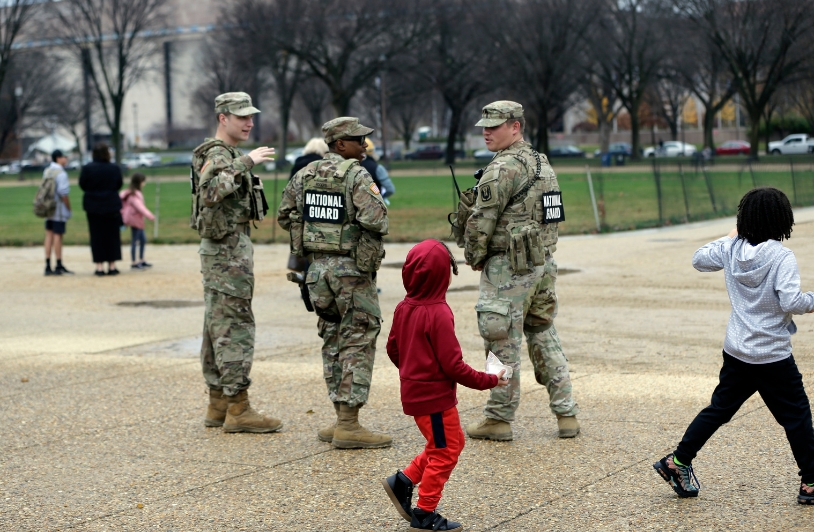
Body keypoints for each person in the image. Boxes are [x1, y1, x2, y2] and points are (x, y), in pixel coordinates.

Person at [654, 187, 814, 505]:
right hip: (771, 356)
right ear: (782, 221)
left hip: (738, 351)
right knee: (797, 417)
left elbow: (699, 260)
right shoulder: (782, 256)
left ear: (744, 220)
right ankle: (811, 482)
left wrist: (730, 238)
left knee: (718, 410)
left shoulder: (731, 249)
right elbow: (792, 300)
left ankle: (677, 462)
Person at [462, 101, 580, 441]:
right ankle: (566, 413)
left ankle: (498, 418)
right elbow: (552, 216)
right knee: (543, 333)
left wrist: (475, 255)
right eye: (484, 125)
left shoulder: (502, 168)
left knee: (500, 338)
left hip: (508, 267)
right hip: (542, 263)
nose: (486, 131)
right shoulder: (543, 164)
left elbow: (481, 221)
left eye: (494, 126)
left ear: (515, 126)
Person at [277, 116, 391, 449]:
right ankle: (349, 424)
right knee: (357, 337)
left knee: (332, 337)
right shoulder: (356, 174)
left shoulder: (304, 174)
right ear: (341, 144)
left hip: (316, 272)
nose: (364, 145)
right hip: (351, 272)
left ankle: (339, 416)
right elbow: (377, 218)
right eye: (358, 140)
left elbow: (285, 214)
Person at [382, 239, 508, 531]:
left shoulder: (404, 307)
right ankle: (425, 512)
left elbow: (393, 349)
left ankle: (403, 481)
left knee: (447, 443)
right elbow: (454, 366)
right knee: (446, 450)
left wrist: (413, 371)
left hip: (417, 394)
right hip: (434, 399)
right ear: (443, 274)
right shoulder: (439, 312)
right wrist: (490, 380)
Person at [191, 92, 281, 433]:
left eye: (251, 115)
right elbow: (210, 192)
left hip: (224, 249)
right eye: (241, 116)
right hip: (227, 252)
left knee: (217, 323)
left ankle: (218, 403)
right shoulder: (219, 154)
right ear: (222, 118)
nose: (249, 122)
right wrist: (247, 162)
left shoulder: (219, 153)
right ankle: (238, 408)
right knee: (235, 325)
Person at [79, 142, 123, 276]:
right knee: (112, 235)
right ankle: (112, 265)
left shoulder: (87, 168)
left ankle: (99, 266)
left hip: (94, 206)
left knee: (97, 236)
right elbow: (118, 184)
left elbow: (83, 185)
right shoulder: (114, 168)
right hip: (111, 205)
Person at [43, 149, 73, 276]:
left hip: (47, 208)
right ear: (58, 158)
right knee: (57, 235)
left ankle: (48, 265)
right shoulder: (61, 173)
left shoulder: (47, 171)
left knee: (48, 234)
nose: (66, 159)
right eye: (64, 157)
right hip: (58, 209)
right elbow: (64, 194)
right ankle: (59, 264)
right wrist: (69, 208)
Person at [120, 173, 155, 270]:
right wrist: (150, 216)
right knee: (135, 241)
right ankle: (134, 263)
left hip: (137, 219)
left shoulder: (133, 192)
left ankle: (141, 260)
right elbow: (140, 207)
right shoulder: (133, 194)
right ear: (140, 182)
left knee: (143, 239)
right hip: (135, 220)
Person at [363, 140, 396, 204]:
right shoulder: (377, 168)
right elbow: (390, 189)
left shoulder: (349, 167)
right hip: (373, 207)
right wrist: (381, 197)